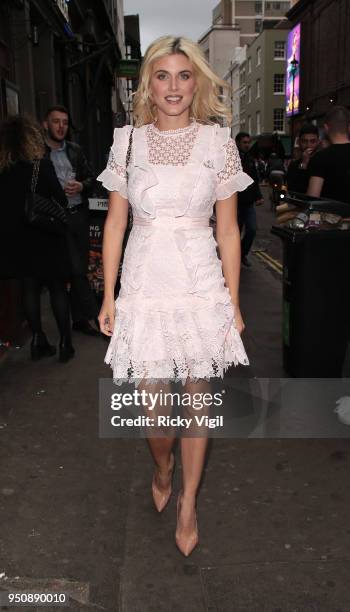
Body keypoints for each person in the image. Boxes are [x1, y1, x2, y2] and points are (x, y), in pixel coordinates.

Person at [97, 35, 253, 557]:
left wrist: (231, 302)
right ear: (148, 83)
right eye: (162, 76)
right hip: (144, 284)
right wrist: (110, 296)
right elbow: (116, 223)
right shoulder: (128, 142)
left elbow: (228, 231)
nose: (174, 87)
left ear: (198, 83)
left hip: (199, 283)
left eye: (184, 76)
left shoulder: (217, 143)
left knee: (197, 404)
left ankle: (188, 501)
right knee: (156, 415)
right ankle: (162, 464)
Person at [0, 114, 74, 362]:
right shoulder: (40, 164)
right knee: (57, 289)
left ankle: (38, 340)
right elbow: (61, 200)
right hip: (46, 236)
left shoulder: (3, 168)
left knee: (29, 289)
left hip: (18, 240)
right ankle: (65, 344)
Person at [43, 105, 100, 336]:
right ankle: (95, 316)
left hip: (78, 214)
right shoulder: (38, 153)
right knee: (74, 270)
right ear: (45, 125)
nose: (61, 127)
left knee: (81, 268)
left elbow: (91, 177)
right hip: (55, 219)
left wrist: (81, 185)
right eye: (56, 122)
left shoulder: (75, 150)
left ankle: (79, 320)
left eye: (65, 123)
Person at [307, 106, 350, 202]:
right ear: (349, 127)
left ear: (326, 128)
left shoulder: (320, 158)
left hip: (332, 215)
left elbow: (312, 199)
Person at [235, 132, 264, 267]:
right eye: (244, 142)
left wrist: (259, 196)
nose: (247, 145)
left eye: (248, 142)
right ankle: (234, 257)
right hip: (235, 203)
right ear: (237, 143)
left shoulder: (250, 159)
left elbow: (255, 180)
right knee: (235, 232)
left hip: (249, 202)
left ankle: (242, 254)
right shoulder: (232, 159)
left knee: (252, 230)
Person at [287, 124, 320, 194]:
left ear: (318, 142)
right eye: (304, 141)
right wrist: (303, 164)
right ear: (299, 142)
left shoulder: (323, 163)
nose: (308, 145)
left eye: (313, 141)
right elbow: (293, 190)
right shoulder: (294, 165)